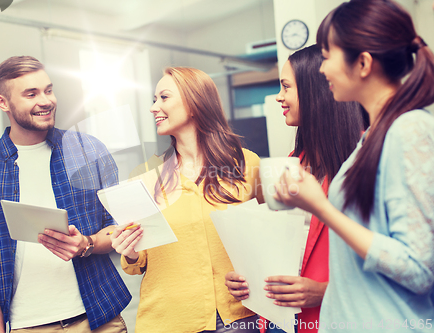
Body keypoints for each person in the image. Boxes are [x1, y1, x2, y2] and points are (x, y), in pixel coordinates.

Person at [275, 1, 434, 332]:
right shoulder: (370, 139)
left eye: (328, 55)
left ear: (363, 63)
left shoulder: (409, 130)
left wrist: (320, 206)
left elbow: (419, 268)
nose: (322, 69)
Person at [0, 56, 131, 333]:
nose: (46, 100)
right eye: (31, 94)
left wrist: (87, 244)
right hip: (27, 325)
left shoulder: (88, 150)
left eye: (48, 90)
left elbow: (119, 226)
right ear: (3, 102)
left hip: (98, 317)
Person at [110, 67, 264, 333]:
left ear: (194, 103)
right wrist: (130, 250)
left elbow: (268, 240)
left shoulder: (247, 164)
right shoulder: (148, 179)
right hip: (169, 321)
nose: (153, 107)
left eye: (164, 97)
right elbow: (138, 262)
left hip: (240, 319)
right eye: (154, 99)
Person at [225, 45, 364, 333]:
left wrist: (324, 290)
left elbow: (394, 258)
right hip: (284, 319)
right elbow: (282, 244)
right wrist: (249, 275)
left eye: (286, 87)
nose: (279, 97)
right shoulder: (292, 162)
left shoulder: (365, 159)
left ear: (315, 93)